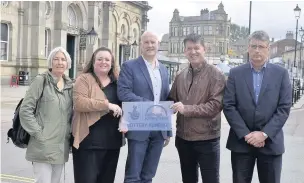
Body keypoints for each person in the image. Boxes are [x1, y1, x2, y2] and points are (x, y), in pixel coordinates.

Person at [223, 30, 292, 183]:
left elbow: (284, 107)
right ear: (248, 48)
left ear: (268, 49)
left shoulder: (281, 74)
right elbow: (229, 105)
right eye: (253, 46)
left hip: (271, 143)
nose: (257, 50)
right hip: (241, 143)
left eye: (261, 46)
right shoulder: (235, 73)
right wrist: (247, 135)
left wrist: (264, 134)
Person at [169, 33, 226, 183]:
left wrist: (186, 109)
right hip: (183, 138)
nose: (193, 52)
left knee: (211, 180)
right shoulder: (180, 75)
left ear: (204, 49)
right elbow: (171, 100)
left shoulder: (216, 75)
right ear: (184, 51)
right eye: (189, 48)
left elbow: (215, 106)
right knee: (188, 179)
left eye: (196, 48)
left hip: (207, 139)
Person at [117, 31, 171, 183]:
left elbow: (165, 99)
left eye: (153, 42)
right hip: (138, 124)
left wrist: (167, 130)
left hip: (159, 127)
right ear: (141, 45)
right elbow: (123, 93)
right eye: (146, 42)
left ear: (158, 45)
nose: (150, 45)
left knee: (148, 175)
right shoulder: (129, 66)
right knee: (133, 176)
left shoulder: (164, 70)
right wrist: (150, 105)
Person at [19, 47, 73, 183]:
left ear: (68, 63)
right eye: (56, 59)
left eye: (63, 59)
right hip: (43, 146)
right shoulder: (40, 81)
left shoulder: (70, 85)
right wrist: (38, 134)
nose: (59, 62)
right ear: (50, 62)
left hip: (61, 147)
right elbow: (25, 110)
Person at [72, 47, 123, 183]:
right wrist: (107, 105)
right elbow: (79, 103)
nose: (103, 62)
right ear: (93, 62)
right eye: (99, 59)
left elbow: (127, 106)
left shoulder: (118, 83)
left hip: (112, 143)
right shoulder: (83, 79)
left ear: (112, 63)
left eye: (107, 59)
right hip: (87, 143)